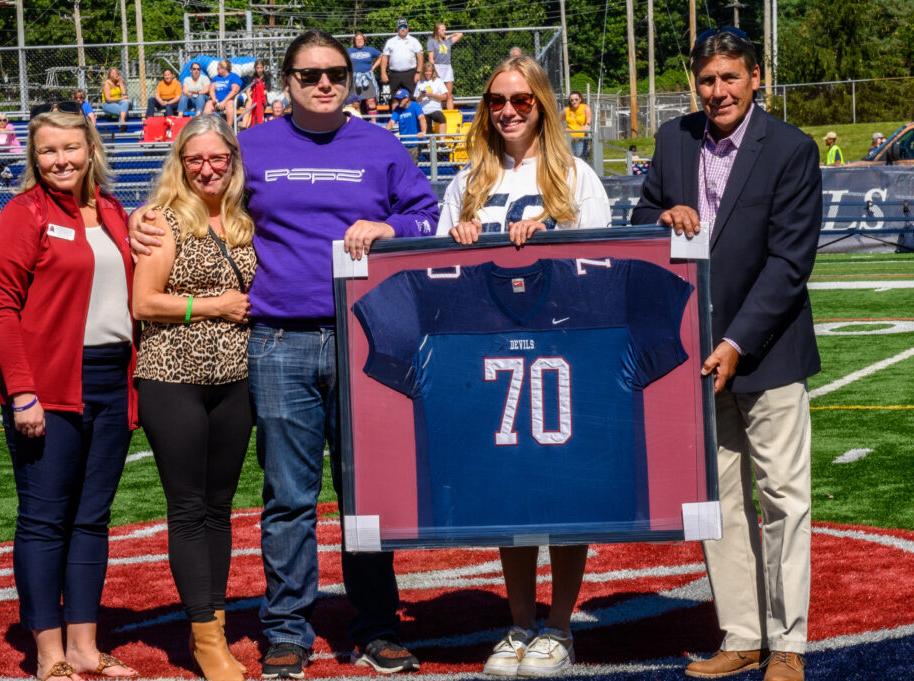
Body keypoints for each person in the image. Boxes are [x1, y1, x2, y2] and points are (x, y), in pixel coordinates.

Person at [128, 30, 439, 680]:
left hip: (364, 335)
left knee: (364, 492)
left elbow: (426, 215)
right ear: (286, 81)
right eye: (309, 74)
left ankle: (377, 626)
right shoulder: (254, 146)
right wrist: (142, 216)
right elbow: (199, 191)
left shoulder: (380, 146)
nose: (323, 83)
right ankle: (287, 631)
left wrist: (390, 227)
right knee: (289, 495)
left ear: (350, 80)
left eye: (334, 73)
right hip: (278, 340)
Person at [631, 28, 821, 681]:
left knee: (784, 499)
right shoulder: (672, 139)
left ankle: (788, 643)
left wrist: (736, 341)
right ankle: (742, 634)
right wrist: (662, 220)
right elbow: (640, 225)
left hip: (766, 352)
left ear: (756, 77)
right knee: (717, 498)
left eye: (730, 78)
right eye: (707, 80)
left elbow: (790, 263)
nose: (718, 91)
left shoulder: (792, 149)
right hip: (696, 358)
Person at [437, 56, 611, 677]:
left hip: (563, 354)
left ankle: (559, 627)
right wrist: (457, 237)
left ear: (542, 104)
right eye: (496, 100)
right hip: (490, 356)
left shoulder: (576, 175)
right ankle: (517, 623)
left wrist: (555, 235)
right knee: (507, 494)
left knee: (562, 492)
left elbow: (603, 268)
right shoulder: (466, 183)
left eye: (521, 100)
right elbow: (442, 280)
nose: (507, 110)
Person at [0, 109, 139, 681]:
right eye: (49, 151)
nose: (61, 160)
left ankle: (85, 648)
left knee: (92, 520)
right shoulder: (22, 215)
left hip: (110, 379)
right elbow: (0, 310)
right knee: (45, 520)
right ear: (34, 156)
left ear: (91, 148)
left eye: (71, 148)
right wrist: (22, 394)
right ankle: (48, 654)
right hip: (49, 388)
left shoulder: (116, 212)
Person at [132, 114, 255, 681]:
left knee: (220, 510)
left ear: (231, 159)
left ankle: (217, 628)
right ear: (180, 163)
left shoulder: (244, 216)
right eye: (195, 159)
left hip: (235, 379)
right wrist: (213, 306)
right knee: (187, 508)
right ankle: (205, 639)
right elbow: (144, 303)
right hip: (172, 375)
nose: (207, 169)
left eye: (217, 158)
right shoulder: (161, 219)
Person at [380, 19, 423, 109]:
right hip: (394, 74)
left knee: (411, 97)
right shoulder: (390, 41)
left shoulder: (414, 41)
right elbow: (384, 57)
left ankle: (410, 118)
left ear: (408, 28)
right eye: (401, 27)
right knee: (394, 97)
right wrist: (383, 73)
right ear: (397, 29)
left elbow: (420, 56)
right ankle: (395, 120)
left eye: (405, 27)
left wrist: (418, 73)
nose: (403, 29)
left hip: (410, 73)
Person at [426, 22, 463, 109]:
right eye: (442, 30)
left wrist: (450, 35)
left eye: (445, 29)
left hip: (447, 67)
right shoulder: (431, 41)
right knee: (438, 93)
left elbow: (460, 34)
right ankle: (438, 114)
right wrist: (433, 71)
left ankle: (450, 116)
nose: (444, 31)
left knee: (448, 94)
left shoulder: (447, 41)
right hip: (437, 67)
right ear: (437, 31)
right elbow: (431, 58)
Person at [386, 88, 426, 163]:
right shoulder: (397, 109)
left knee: (412, 166)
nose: (398, 101)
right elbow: (391, 122)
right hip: (403, 143)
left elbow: (422, 118)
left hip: (415, 142)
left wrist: (423, 132)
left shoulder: (415, 106)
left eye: (400, 99)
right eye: (397, 99)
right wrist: (384, 132)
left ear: (407, 99)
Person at [348, 33, 384, 115]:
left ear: (364, 40)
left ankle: (374, 124)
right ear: (354, 41)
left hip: (368, 78)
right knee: (355, 102)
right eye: (357, 39)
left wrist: (373, 67)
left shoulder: (370, 50)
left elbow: (381, 56)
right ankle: (358, 123)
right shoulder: (349, 51)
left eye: (361, 39)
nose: (359, 41)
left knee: (371, 100)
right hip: (355, 79)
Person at [204, 59, 243, 127]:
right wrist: (214, 99)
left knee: (229, 103)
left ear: (224, 69)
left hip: (231, 100)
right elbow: (211, 90)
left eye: (218, 68)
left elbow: (235, 91)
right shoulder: (216, 78)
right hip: (218, 101)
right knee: (209, 103)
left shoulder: (233, 76)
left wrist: (224, 101)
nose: (217, 70)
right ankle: (207, 127)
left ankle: (229, 127)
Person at [413, 62, 448, 129]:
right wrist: (421, 96)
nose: (428, 73)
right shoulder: (420, 82)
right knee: (426, 127)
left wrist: (431, 95)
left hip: (435, 109)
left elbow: (445, 96)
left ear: (432, 72)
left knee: (442, 118)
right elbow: (416, 100)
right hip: (423, 110)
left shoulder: (438, 81)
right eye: (426, 71)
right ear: (424, 72)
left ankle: (442, 139)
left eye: (429, 71)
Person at [241, 60, 270, 129]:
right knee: (249, 105)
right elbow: (248, 90)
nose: (259, 70)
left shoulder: (267, 78)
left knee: (252, 107)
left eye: (261, 68)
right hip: (252, 98)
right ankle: (244, 126)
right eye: (258, 68)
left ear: (263, 68)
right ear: (255, 68)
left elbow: (266, 91)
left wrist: (255, 92)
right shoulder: (252, 77)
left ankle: (246, 128)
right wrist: (250, 98)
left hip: (261, 99)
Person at [564, 91, 592, 158]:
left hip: (580, 138)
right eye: (572, 100)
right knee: (569, 159)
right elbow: (556, 120)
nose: (574, 101)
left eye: (576, 99)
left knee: (580, 159)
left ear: (580, 99)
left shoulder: (585, 107)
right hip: (568, 139)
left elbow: (589, 117)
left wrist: (587, 125)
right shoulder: (567, 110)